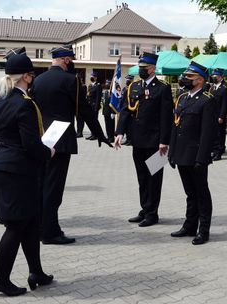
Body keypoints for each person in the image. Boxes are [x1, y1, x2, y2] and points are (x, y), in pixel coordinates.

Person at [31, 44, 111, 244]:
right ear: (66, 60)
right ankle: (50, 232)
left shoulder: (38, 80)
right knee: (54, 188)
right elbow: (84, 110)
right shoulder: (71, 80)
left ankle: (41, 226)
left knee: (42, 185)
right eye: (71, 59)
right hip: (61, 141)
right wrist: (100, 134)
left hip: (42, 139)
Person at [0, 52, 54, 297]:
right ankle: (1, 281)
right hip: (18, 170)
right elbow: (30, 145)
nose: (33, 79)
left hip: (3, 165)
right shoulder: (24, 104)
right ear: (26, 77)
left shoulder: (0, 100)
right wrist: (49, 152)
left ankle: (36, 272)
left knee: (30, 222)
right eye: (32, 75)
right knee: (16, 226)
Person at [114, 52, 173, 227]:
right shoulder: (134, 87)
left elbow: (166, 117)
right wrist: (119, 133)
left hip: (156, 142)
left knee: (154, 177)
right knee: (142, 177)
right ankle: (144, 209)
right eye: (140, 68)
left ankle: (152, 213)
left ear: (153, 68)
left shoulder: (163, 88)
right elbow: (125, 111)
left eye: (144, 68)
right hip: (137, 140)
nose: (141, 71)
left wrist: (164, 140)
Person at [169, 61, 217, 245]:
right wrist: (172, 153)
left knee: (201, 193)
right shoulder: (182, 98)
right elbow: (176, 126)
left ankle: (203, 230)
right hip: (181, 153)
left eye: (189, 76)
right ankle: (189, 226)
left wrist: (202, 157)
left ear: (199, 79)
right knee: (190, 193)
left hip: (196, 155)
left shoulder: (207, 100)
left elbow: (207, 132)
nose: (185, 79)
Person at [209, 68, 227, 161]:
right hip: (212, 114)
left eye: (216, 76)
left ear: (221, 77)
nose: (214, 77)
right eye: (213, 76)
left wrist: (222, 116)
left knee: (220, 134)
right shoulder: (213, 87)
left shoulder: (225, 87)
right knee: (214, 134)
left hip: (219, 115)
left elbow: (225, 103)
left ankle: (219, 152)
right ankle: (214, 151)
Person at [85, 72, 102, 140]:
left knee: (94, 121)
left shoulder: (98, 86)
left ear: (96, 78)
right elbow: (88, 96)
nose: (91, 77)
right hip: (89, 106)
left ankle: (95, 135)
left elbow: (98, 97)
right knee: (90, 121)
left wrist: (96, 107)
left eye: (93, 76)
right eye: (91, 76)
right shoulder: (90, 85)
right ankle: (92, 133)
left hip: (94, 106)